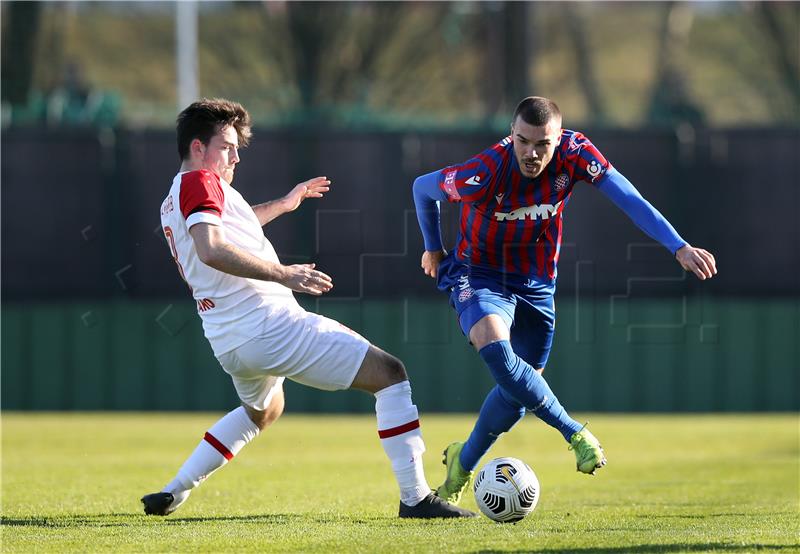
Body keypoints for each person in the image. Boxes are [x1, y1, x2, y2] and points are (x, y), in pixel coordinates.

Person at [142, 98, 475, 519]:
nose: (235, 156)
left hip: (228, 341)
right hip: (268, 325)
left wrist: (283, 204)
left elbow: (228, 227)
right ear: (197, 147)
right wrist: (283, 274)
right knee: (390, 375)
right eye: (227, 145)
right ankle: (416, 498)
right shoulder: (200, 182)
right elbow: (211, 249)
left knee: (264, 411)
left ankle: (175, 490)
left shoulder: (175, 197)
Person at [412, 96, 717, 505]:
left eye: (543, 144)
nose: (532, 153)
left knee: (521, 389)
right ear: (512, 134)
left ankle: (461, 465)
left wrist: (678, 246)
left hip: (537, 281)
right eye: (523, 141)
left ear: (560, 138)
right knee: (497, 351)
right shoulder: (484, 172)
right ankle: (574, 432)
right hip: (478, 273)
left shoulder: (576, 154)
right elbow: (422, 189)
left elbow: (627, 197)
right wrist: (433, 248)